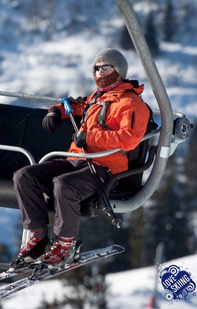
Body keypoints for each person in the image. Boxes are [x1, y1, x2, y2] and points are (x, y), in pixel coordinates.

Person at [11, 48, 150, 269]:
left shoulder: (132, 104)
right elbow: (75, 105)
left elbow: (129, 139)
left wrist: (90, 137)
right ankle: (38, 237)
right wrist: (56, 111)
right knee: (25, 176)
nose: (99, 73)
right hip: (76, 160)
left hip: (105, 168)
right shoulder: (97, 98)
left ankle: (65, 244)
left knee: (65, 185)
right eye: (96, 68)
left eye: (106, 67)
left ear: (119, 71)